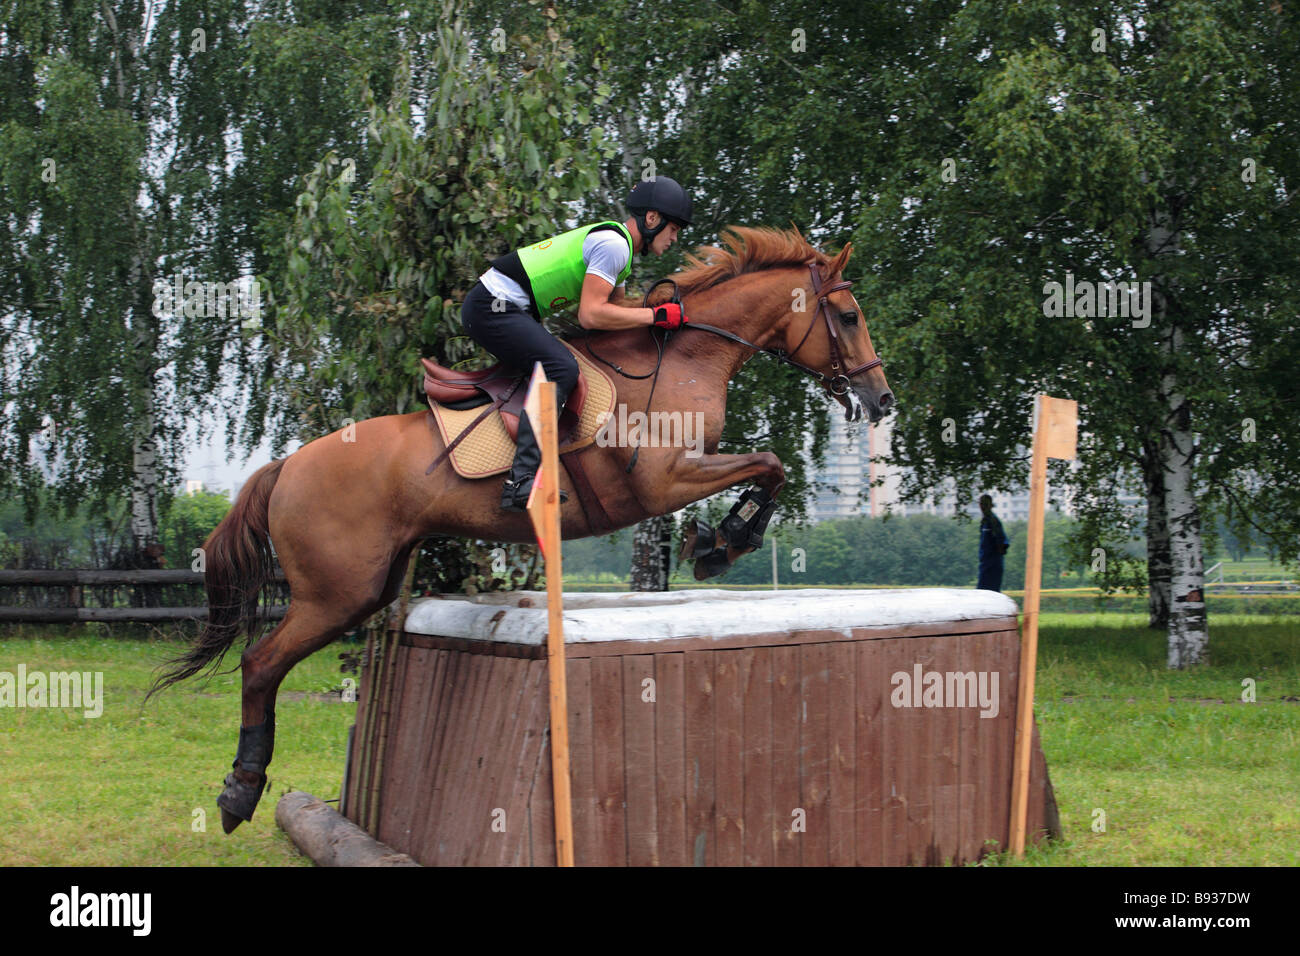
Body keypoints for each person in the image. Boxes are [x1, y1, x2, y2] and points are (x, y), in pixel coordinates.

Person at [462, 176, 694, 511]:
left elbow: (614, 319)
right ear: (653, 219)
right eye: (674, 229)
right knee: (561, 367)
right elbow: (591, 315)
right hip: (492, 307)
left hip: (507, 307)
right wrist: (655, 317)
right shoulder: (614, 247)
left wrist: (661, 320)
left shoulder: (622, 254)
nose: (675, 238)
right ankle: (520, 482)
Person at [977, 494, 1010, 592]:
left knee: (990, 592)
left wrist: (995, 556)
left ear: (990, 505)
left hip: (992, 564)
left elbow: (1002, 541)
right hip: (984, 563)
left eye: (985, 504)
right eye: (982, 504)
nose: (983, 507)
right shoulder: (984, 522)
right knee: (982, 591)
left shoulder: (994, 521)